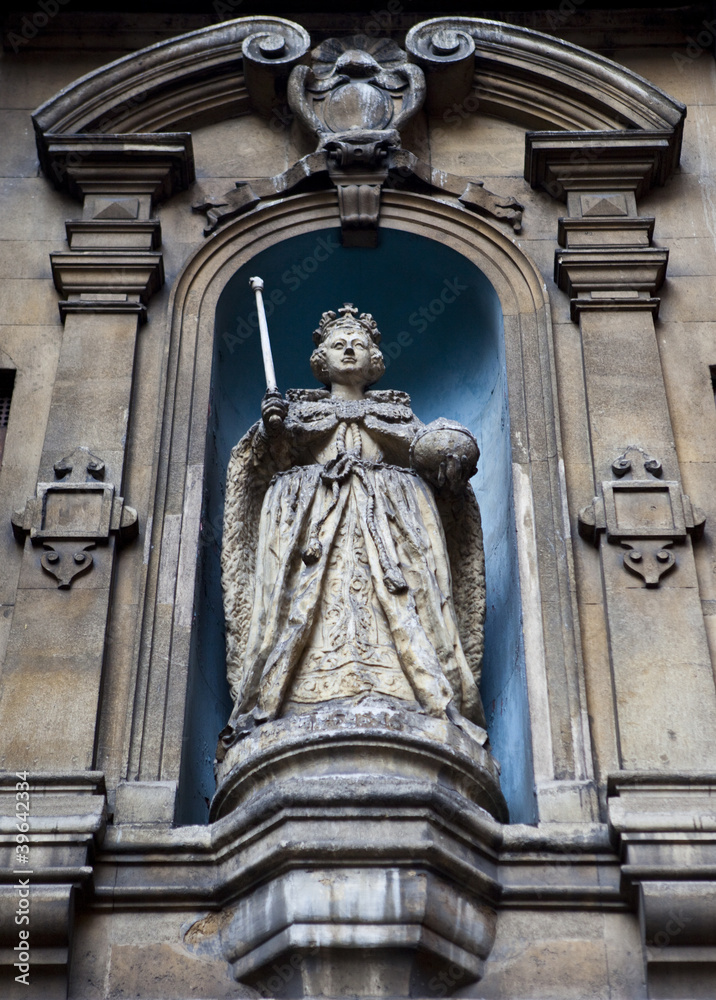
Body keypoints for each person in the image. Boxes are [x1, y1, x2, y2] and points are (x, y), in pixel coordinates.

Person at [218, 304, 488, 756]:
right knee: (310, 606)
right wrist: (271, 431)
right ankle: (295, 701)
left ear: (374, 361)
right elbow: (264, 469)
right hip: (313, 532)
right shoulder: (298, 411)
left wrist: (445, 464)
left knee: (402, 610)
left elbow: (435, 469)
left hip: (388, 529)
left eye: (358, 343)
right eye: (338, 342)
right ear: (321, 357)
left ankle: (405, 693)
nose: (348, 347)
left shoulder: (398, 416)